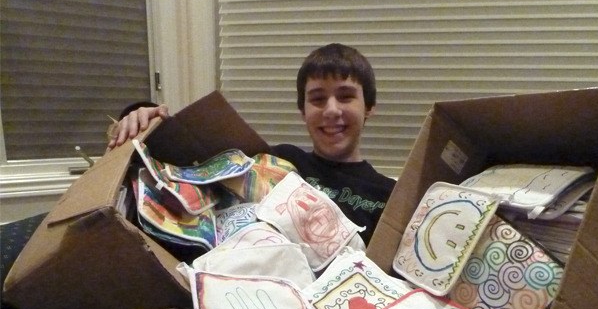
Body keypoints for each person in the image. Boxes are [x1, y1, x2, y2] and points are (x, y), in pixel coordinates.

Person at [108, 43, 395, 245]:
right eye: (318, 99)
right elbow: (184, 164)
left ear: (369, 107)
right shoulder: (280, 161)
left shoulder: (390, 195)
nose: (331, 110)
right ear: (303, 111)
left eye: (345, 96)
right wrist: (142, 115)